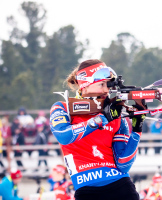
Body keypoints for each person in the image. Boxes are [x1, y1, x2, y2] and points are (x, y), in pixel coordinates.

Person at [50, 59, 146, 200]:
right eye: (101, 84)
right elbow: (63, 136)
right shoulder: (63, 108)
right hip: (87, 191)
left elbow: (123, 164)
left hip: (121, 186)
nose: (106, 90)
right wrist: (102, 118)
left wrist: (137, 130)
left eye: (108, 85)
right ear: (85, 86)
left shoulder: (115, 116)